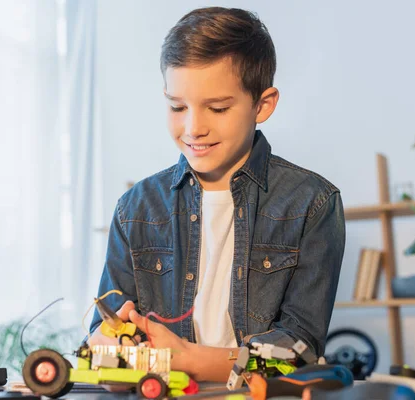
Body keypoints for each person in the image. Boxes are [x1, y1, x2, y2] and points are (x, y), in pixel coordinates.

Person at [88, 6, 345, 383]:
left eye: (218, 108)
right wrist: (111, 342)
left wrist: (188, 358)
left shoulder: (313, 203)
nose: (193, 127)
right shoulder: (136, 208)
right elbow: (100, 333)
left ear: (263, 104)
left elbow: (299, 350)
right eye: (177, 106)